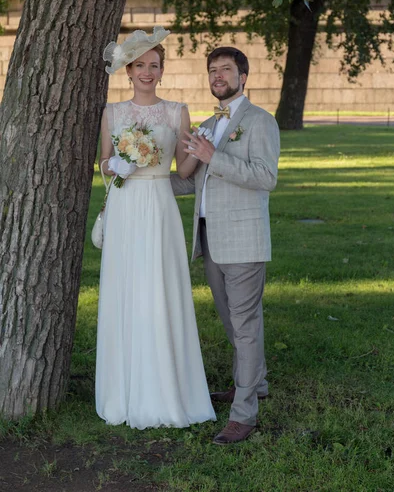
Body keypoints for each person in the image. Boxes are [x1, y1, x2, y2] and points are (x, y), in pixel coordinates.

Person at [96, 26, 216, 429]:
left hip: (161, 203)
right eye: (140, 65)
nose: (147, 72)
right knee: (127, 286)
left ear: (162, 71)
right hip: (126, 206)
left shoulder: (176, 110)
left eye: (154, 65)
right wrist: (115, 165)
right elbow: (102, 164)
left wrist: (199, 151)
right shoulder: (112, 113)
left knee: (161, 287)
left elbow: (182, 168)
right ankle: (125, 389)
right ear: (128, 71)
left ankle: (167, 387)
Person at [171, 46, 280, 444]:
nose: (218, 76)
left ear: (243, 77)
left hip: (244, 242)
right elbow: (194, 181)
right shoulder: (206, 124)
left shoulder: (260, 122)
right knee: (234, 324)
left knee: (246, 327)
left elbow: (265, 176)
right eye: (213, 70)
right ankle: (254, 383)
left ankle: (244, 414)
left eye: (226, 70)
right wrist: (144, 181)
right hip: (210, 240)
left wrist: (213, 156)